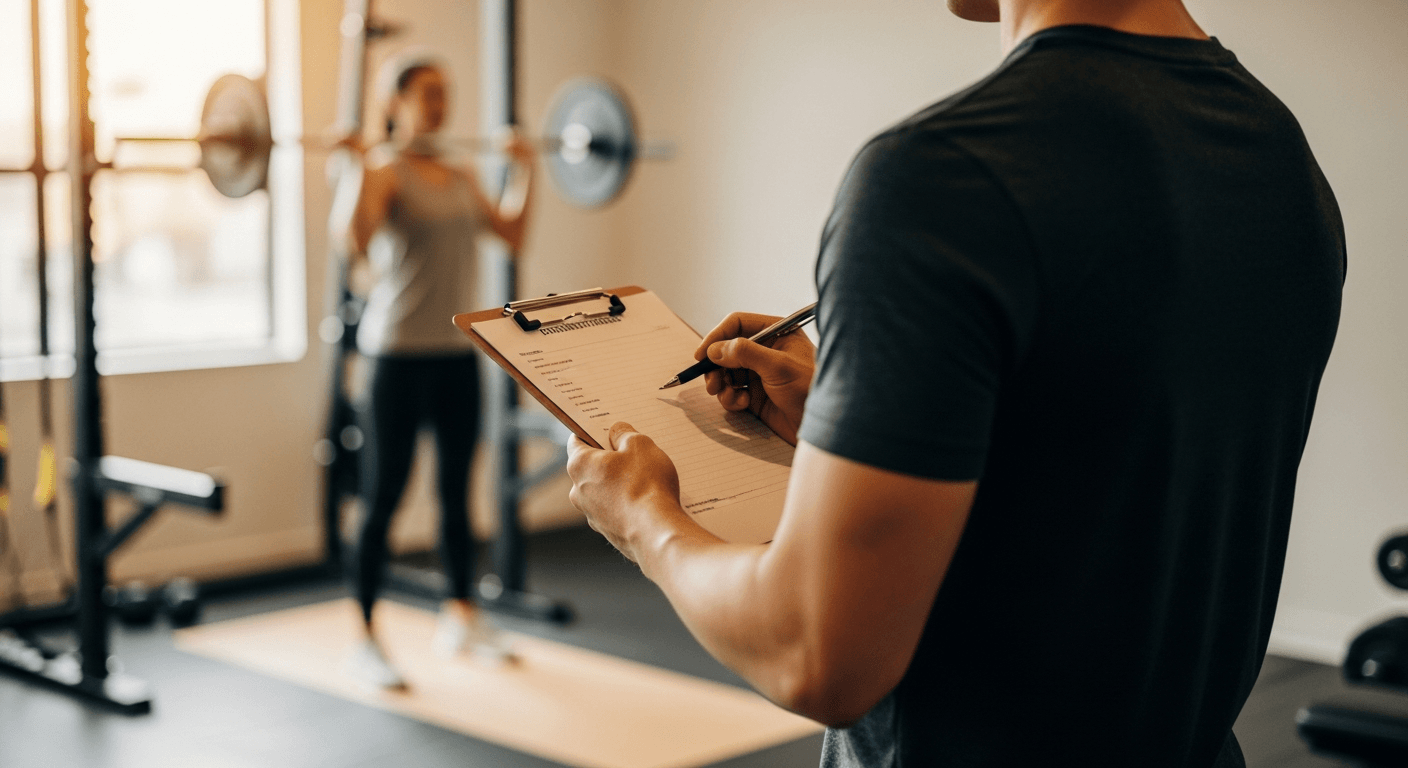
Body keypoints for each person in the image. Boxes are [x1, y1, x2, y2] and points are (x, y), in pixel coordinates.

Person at [565, 1, 1344, 766]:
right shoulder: (1279, 153)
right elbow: (1097, 484)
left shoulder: (941, 176)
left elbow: (815, 651)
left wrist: (645, 518)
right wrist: (862, 420)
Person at [340, 53, 534, 690]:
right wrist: (351, 171)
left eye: (445, 94)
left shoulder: (458, 175)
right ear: (396, 104)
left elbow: (509, 233)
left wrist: (524, 170)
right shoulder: (384, 170)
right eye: (427, 94)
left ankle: (462, 615)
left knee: (456, 495)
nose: (440, 106)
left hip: (456, 358)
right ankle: (367, 636)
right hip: (394, 358)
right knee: (383, 501)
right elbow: (355, 243)